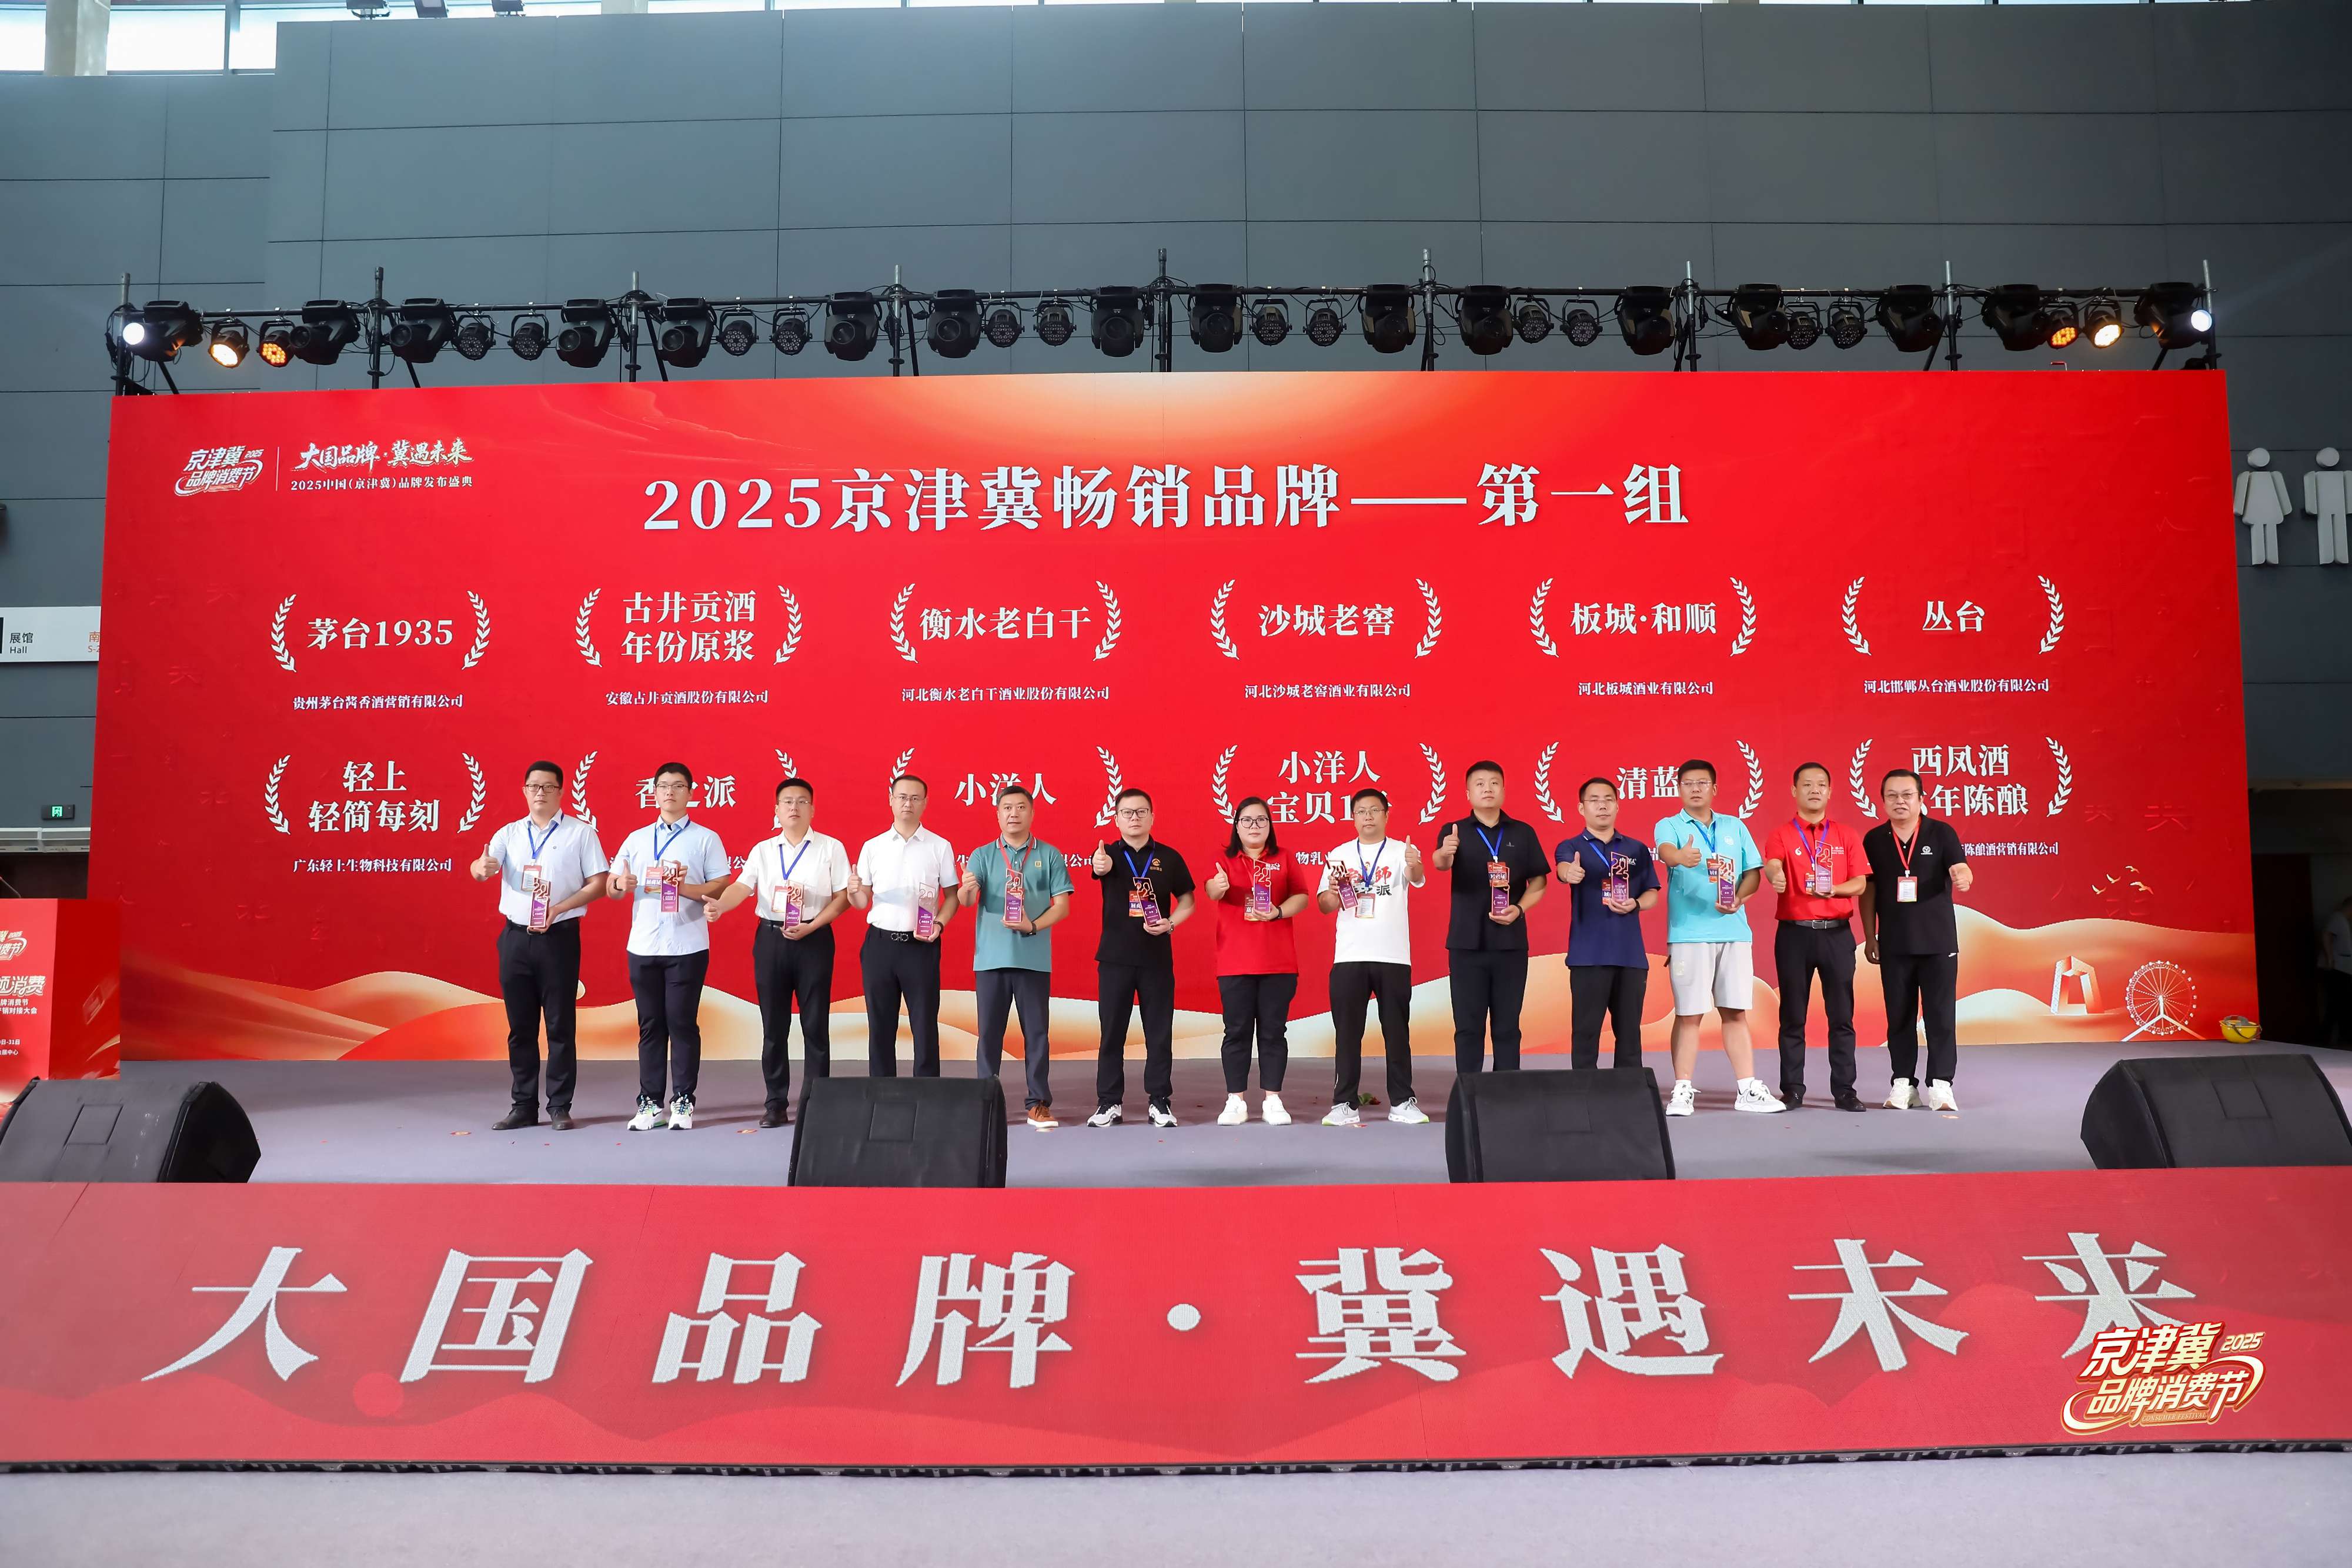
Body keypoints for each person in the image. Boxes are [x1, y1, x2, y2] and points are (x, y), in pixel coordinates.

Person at [703, 777, 850, 1128]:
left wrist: (813, 925)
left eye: (802, 801)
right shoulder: (764, 850)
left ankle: (817, 1103)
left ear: (812, 809)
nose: (794, 807)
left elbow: (843, 897)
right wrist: (721, 905)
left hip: (814, 939)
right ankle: (775, 1103)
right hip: (771, 941)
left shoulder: (831, 848)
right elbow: (743, 886)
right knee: (774, 1026)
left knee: (816, 1024)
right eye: (787, 802)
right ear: (777, 810)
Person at [470, 760, 608, 1132]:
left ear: (561, 792)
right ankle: (523, 1105)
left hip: (559, 938)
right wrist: (481, 868)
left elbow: (599, 883)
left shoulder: (581, 833)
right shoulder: (509, 833)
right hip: (515, 938)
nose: (540, 793)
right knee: (520, 1027)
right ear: (524, 791)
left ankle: (559, 1106)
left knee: (560, 1025)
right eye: (534, 786)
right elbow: (483, 867)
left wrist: (559, 908)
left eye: (548, 787)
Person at [1652, 759, 1780, 1116]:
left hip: (1734, 932)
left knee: (1735, 1012)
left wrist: (1739, 898)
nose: (1696, 789)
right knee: (1689, 1014)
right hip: (1689, 935)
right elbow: (1666, 852)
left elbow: (1753, 872)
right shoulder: (1670, 825)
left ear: (1715, 789)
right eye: (1688, 783)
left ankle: (1747, 1088)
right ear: (1678, 788)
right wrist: (1681, 856)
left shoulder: (1734, 826)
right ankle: (1682, 1090)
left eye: (1703, 783)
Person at [608, 762, 731, 1131]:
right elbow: (613, 888)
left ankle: (683, 1101)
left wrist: (682, 889)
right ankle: (649, 1103)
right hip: (644, 944)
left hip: (687, 943)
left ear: (691, 793)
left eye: (678, 786)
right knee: (650, 1026)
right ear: (654, 792)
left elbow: (721, 884)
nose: (670, 792)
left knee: (681, 1023)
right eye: (663, 786)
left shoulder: (705, 839)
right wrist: (621, 885)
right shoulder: (636, 839)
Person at [957, 783, 1074, 1129]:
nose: (1014, 814)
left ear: (1032, 813)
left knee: (1036, 1035)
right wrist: (966, 889)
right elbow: (967, 901)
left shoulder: (1049, 855)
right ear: (997, 814)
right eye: (1007, 808)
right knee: (989, 1036)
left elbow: (1062, 906)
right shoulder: (982, 855)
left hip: (1033, 959)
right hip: (991, 960)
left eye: (1021, 807)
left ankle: (1038, 1104)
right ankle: (985, 1104)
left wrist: (1032, 926)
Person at [1759, 763, 1872, 1112]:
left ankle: (1845, 1090)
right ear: (1794, 791)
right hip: (1794, 936)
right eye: (1807, 785)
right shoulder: (1782, 834)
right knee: (1793, 1015)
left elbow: (1860, 883)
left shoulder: (1846, 835)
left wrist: (1834, 890)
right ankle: (1793, 1089)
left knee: (1842, 1016)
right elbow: (1773, 863)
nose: (1814, 790)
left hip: (1837, 935)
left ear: (1830, 791)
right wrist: (1775, 875)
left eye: (1821, 784)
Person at [1859, 768, 1973, 1111]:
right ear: (1882, 802)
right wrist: (1870, 936)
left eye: (1907, 795)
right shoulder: (1874, 840)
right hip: (1894, 943)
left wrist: (1964, 875)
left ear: (1921, 798)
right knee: (1899, 1017)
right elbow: (1868, 891)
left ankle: (1941, 1084)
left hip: (1938, 942)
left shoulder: (1942, 833)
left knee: (1940, 1016)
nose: (1900, 801)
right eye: (1892, 796)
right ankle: (1903, 1083)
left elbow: (1960, 867)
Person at [1429, 760, 1550, 1074]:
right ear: (1468, 793)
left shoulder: (1523, 832)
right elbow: (1440, 864)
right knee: (1468, 1026)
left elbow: (1539, 881)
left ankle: (1507, 1092)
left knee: (1508, 1026)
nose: (1488, 789)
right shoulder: (1454, 831)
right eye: (1480, 784)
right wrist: (1445, 851)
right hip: (1467, 943)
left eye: (1494, 783)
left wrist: (1519, 909)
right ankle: (1469, 1092)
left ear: (1504, 790)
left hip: (1510, 944)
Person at [1317, 788, 1428, 1126]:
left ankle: (1403, 1102)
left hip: (1393, 956)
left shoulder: (1401, 851)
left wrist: (1415, 864)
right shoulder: (1339, 855)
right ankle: (1344, 1103)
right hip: (1350, 956)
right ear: (1353, 817)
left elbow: (1417, 878)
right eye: (1361, 811)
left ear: (1386, 815)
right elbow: (1324, 905)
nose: (1368, 816)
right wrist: (1333, 893)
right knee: (1348, 1034)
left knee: (1397, 1033)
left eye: (1375, 810)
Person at [1087, 788, 1195, 1128]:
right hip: (1115, 959)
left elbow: (1188, 901)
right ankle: (1109, 1102)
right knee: (1112, 1033)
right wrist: (1100, 865)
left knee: (1159, 1033)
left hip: (1156, 958)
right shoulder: (1107, 854)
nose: (1134, 818)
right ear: (1116, 819)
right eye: (1127, 813)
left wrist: (1171, 923)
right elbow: (1100, 868)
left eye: (1141, 812)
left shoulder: (1169, 857)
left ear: (1152, 817)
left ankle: (1159, 1101)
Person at [1204, 795, 1311, 1126]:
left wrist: (1278, 912)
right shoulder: (1224, 860)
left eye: (1261, 820)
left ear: (1270, 825)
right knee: (1236, 1032)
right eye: (1247, 821)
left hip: (1278, 962)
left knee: (1274, 1032)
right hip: (1235, 962)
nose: (1254, 826)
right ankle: (1235, 1100)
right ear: (1237, 826)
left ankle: (1273, 1100)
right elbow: (1210, 891)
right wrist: (1218, 885)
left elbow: (1302, 896)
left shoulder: (1284, 858)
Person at [847, 773, 957, 1077]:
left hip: (921, 946)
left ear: (925, 803)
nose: (908, 803)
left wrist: (940, 924)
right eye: (902, 797)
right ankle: (882, 1091)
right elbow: (862, 902)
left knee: (924, 1024)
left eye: (915, 798)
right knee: (880, 1024)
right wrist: (854, 891)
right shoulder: (873, 847)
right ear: (891, 801)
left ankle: (927, 1091)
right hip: (880, 945)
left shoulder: (939, 846)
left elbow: (952, 897)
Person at [1553, 777, 1659, 1072]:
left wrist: (1636, 903)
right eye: (1594, 800)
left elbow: (1651, 893)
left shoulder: (1636, 849)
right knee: (1586, 1032)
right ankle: (1585, 1091)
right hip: (1589, 956)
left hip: (1630, 955)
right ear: (1582, 808)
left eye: (1608, 800)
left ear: (1617, 806)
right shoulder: (1571, 846)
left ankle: (1627, 1091)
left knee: (1629, 1034)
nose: (1602, 806)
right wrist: (1569, 873)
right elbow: (1563, 868)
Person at [2327, 894, 2352, 1048]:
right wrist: (2330, 959)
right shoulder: (2338, 918)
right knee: (2339, 1004)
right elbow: (2326, 935)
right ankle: (2340, 1039)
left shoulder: (2343, 921)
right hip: (2338, 969)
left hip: (2343, 968)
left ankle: (2343, 1038)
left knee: (2341, 1004)